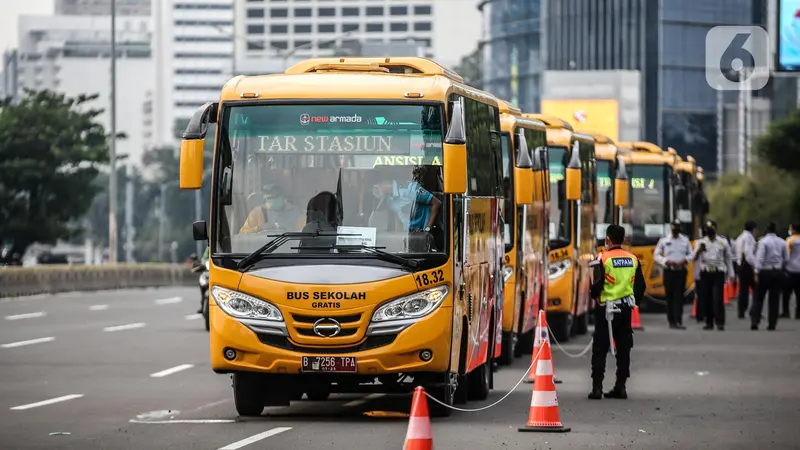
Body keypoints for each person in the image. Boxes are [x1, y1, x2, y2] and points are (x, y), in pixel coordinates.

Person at [588, 224, 646, 400]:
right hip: (625, 309)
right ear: (624, 240)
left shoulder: (602, 258)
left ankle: (597, 388)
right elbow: (641, 286)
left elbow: (597, 285)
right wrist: (632, 302)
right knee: (624, 348)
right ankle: (621, 386)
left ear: (607, 239)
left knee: (600, 348)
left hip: (606, 309)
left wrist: (594, 295)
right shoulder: (633, 259)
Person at [693, 219, 734, 331]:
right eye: (708, 230)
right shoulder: (701, 242)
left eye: (712, 230)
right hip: (705, 272)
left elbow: (728, 258)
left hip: (718, 272)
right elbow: (693, 258)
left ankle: (720, 322)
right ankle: (709, 322)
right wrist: (699, 251)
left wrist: (731, 274)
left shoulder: (722, 242)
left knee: (718, 298)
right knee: (707, 298)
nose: (710, 233)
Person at [654, 219, 693, 329]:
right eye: (674, 226)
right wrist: (666, 261)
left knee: (679, 297)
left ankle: (678, 320)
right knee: (670, 296)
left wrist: (685, 260)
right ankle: (671, 321)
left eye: (677, 226)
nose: (675, 229)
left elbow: (691, 254)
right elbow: (656, 255)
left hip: (680, 271)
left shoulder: (685, 240)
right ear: (671, 227)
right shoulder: (664, 240)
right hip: (669, 270)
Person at [751, 222, 789, 331]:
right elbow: (786, 258)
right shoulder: (782, 242)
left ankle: (755, 320)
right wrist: (781, 266)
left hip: (765, 271)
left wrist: (756, 272)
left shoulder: (763, 242)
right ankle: (772, 323)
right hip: (777, 271)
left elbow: (760, 258)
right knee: (774, 298)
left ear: (766, 230)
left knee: (758, 298)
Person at [734, 220, 758, 319]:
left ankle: (741, 311)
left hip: (740, 265)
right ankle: (754, 310)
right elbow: (748, 254)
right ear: (753, 228)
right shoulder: (749, 238)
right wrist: (754, 266)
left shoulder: (740, 237)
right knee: (757, 289)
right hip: (747, 266)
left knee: (743, 290)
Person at [783, 223, 800, 319]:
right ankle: (798, 313)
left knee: (786, 293)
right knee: (799, 294)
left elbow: (786, 255)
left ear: (793, 230)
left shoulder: (790, 240)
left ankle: (786, 312)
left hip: (791, 269)